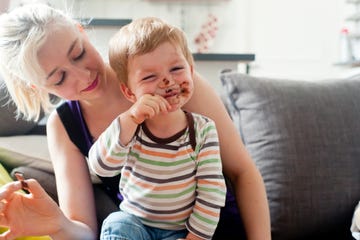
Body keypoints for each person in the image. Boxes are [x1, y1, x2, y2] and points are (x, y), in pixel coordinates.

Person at [0, 3, 271, 240]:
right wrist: (56, 224)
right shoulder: (63, 126)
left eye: (79, 53)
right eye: (59, 78)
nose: (83, 77)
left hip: (213, 230)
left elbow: (243, 172)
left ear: (82, 32)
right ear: (37, 87)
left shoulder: (171, 80)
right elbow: (86, 231)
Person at [87, 17, 226, 240]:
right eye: (150, 76)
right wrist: (130, 119)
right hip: (135, 223)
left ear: (190, 70)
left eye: (177, 68)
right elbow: (100, 167)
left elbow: (211, 191)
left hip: (180, 231)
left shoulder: (202, 130)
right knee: (116, 223)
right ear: (130, 93)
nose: (167, 81)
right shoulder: (130, 127)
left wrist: (195, 237)